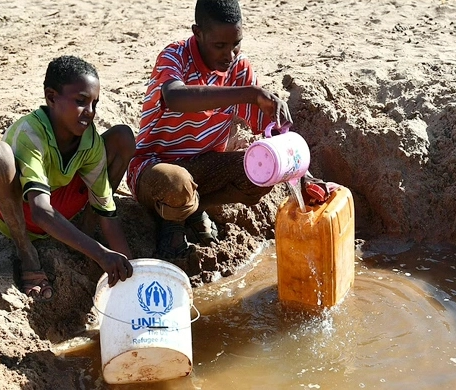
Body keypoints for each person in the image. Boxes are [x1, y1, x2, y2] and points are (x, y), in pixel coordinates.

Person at [128, 0, 330, 259]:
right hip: (153, 170)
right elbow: (175, 97)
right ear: (198, 33)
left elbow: (274, 132)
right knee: (176, 182)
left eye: (236, 44)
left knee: (264, 171)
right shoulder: (175, 56)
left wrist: (305, 175)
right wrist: (249, 93)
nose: (230, 55)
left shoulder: (238, 68)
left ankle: (190, 208)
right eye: (220, 46)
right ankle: (173, 223)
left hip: (204, 168)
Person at [0, 55, 135, 301]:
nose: (90, 112)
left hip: (61, 209)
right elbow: (41, 212)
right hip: (22, 212)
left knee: (122, 137)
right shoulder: (30, 134)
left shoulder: (90, 140)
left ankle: (83, 234)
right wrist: (101, 254)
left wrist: (129, 268)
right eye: (81, 101)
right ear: (51, 97)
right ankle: (27, 254)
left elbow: (107, 211)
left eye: (95, 103)